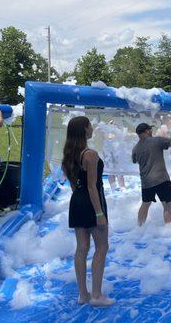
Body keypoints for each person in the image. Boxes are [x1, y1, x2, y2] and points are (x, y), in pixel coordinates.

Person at [62, 116, 114, 307]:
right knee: (102, 247)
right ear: (85, 129)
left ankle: (83, 294)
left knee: (81, 248)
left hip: (76, 201)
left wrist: (80, 200)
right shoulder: (90, 154)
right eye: (90, 125)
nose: (92, 128)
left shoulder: (69, 154)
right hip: (93, 203)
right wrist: (99, 214)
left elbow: (74, 185)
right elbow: (92, 187)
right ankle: (97, 296)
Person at [132, 120, 171, 226]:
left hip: (146, 182)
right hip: (161, 179)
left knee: (145, 205)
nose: (151, 130)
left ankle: (139, 229)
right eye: (150, 129)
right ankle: (168, 231)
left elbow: (134, 160)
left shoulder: (135, 148)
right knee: (167, 206)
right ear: (146, 131)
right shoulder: (156, 141)